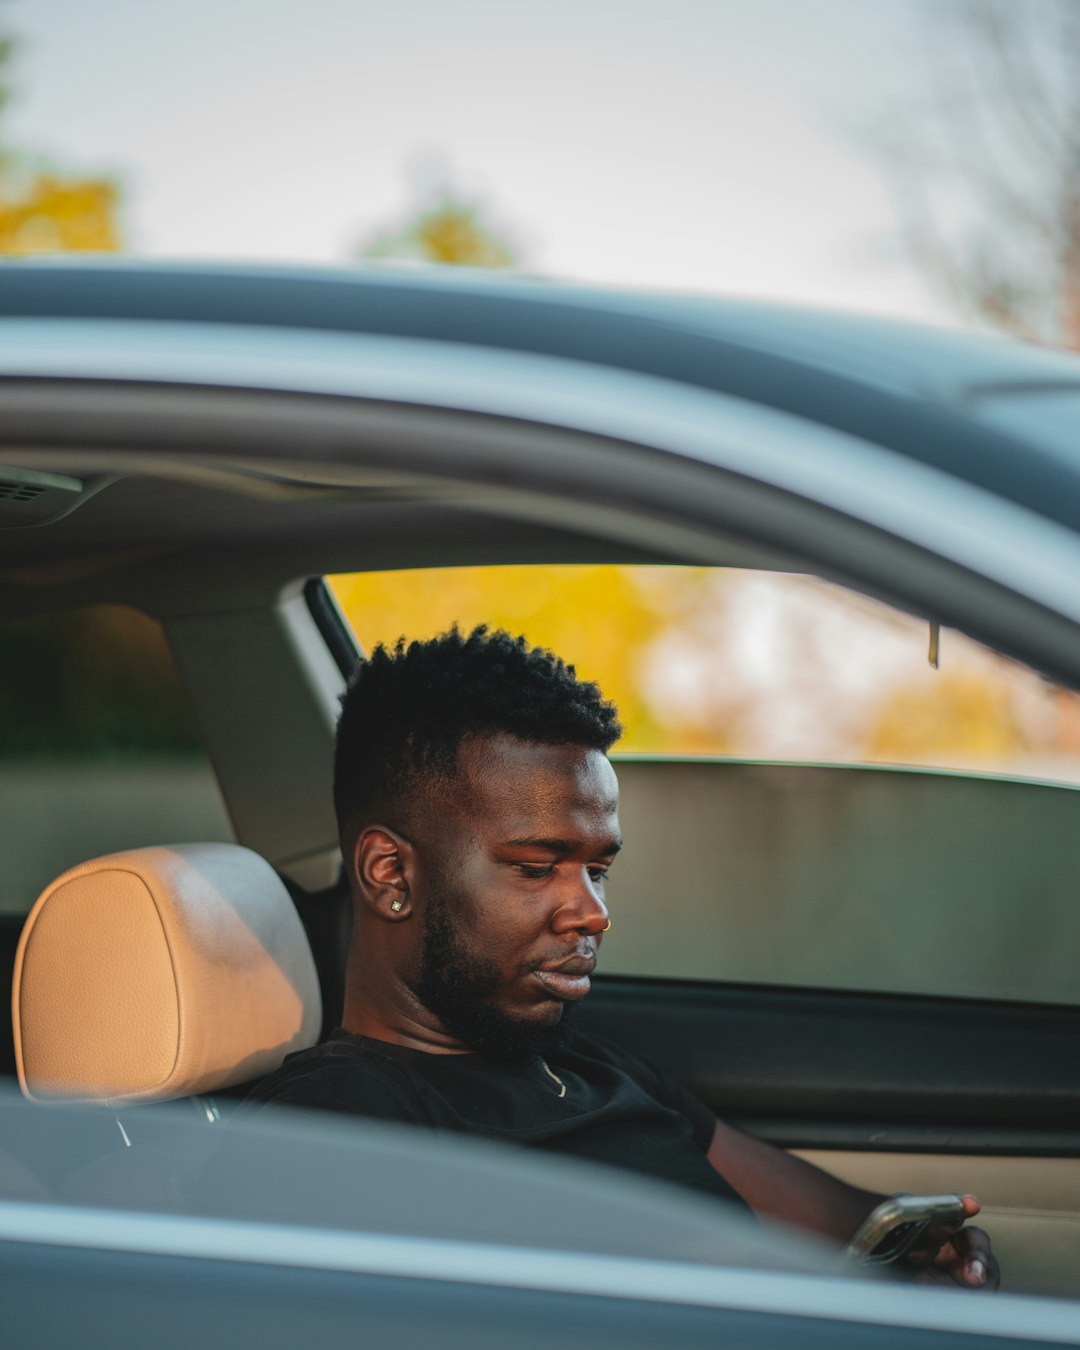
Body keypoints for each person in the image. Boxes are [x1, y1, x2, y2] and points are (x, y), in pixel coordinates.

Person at [248, 625, 999, 1288]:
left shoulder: (590, 1069)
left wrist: (930, 1249)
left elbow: (848, 1225)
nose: (593, 913)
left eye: (598, 870)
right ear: (390, 875)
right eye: (536, 866)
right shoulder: (340, 1124)